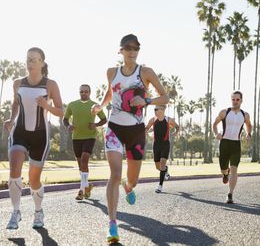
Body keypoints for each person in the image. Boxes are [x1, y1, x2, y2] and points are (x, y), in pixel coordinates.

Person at [91, 34, 169, 243]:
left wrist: (146, 100)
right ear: (121, 50)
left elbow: (165, 97)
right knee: (114, 174)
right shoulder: (111, 72)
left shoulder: (146, 72)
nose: (132, 51)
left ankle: (128, 186)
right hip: (114, 128)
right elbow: (110, 93)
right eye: (128, 47)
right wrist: (100, 105)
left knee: (132, 181)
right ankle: (112, 225)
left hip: (136, 131)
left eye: (136, 47)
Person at [4, 47, 64, 229]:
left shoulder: (50, 85)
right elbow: (16, 103)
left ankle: (38, 212)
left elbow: (61, 112)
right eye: (28, 59)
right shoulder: (17, 83)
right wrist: (12, 119)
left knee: (34, 179)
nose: (30, 63)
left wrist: (47, 105)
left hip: (40, 136)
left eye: (34, 60)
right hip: (20, 132)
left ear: (42, 63)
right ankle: (15, 212)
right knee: (14, 167)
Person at [63, 84, 107, 200]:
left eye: (86, 91)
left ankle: (81, 191)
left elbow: (104, 119)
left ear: (90, 92)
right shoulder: (72, 105)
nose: (84, 93)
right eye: (82, 91)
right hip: (76, 138)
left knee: (84, 160)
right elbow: (65, 119)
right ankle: (87, 186)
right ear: (79, 92)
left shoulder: (94, 106)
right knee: (80, 165)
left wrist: (96, 125)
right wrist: (68, 126)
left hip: (90, 137)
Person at [212, 91, 252, 204]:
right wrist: (216, 134)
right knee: (223, 168)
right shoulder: (225, 112)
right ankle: (225, 173)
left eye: (237, 99)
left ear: (241, 100)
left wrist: (249, 134)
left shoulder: (245, 115)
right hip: (224, 143)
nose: (235, 102)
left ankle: (230, 194)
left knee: (234, 170)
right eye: (233, 99)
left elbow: (249, 124)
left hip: (236, 145)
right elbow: (214, 124)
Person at [145, 105, 179, 193]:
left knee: (162, 164)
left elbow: (177, 126)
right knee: (158, 167)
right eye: (154, 109)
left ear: (162, 110)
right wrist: (146, 131)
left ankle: (160, 185)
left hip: (165, 144)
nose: (155, 110)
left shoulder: (168, 120)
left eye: (156, 109)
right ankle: (165, 170)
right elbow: (147, 128)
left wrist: (176, 132)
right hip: (156, 145)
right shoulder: (152, 120)